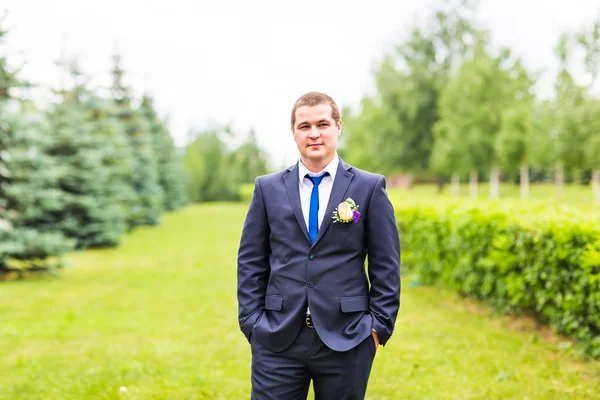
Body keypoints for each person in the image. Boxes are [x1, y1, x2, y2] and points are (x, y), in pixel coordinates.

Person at [237, 91, 401, 399]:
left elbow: (386, 264)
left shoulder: (368, 187)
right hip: (277, 337)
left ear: (338, 127)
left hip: (348, 338)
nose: (314, 133)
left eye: (323, 124)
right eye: (305, 126)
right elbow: (251, 261)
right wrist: (252, 323)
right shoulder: (267, 189)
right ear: (293, 132)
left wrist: (376, 329)